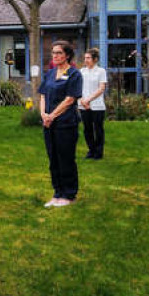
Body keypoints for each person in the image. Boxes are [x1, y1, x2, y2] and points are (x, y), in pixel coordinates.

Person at [39, 41, 83, 207]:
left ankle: (69, 194)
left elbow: (70, 99)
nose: (55, 56)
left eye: (58, 53)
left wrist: (52, 115)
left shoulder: (74, 75)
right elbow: (42, 94)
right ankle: (57, 193)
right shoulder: (50, 74)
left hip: (65, 124)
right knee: (53, 160)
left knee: (66, 159)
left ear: (67, 55)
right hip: (49, 124)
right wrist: (43, 114)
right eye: (53, 53)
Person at [78, 48, 108, 160]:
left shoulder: (101, 71)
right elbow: (78, 88)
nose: (86, 60)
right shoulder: (81, 72)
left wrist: (88, 100)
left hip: (97, 105)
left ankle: (99, 153)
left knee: (98, 129)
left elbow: (101, 89)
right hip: (83, 105)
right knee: (87, 129)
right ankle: (91, 150)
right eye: (85, 58)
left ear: (95, 59)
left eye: (88, 58)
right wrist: (82, 101)